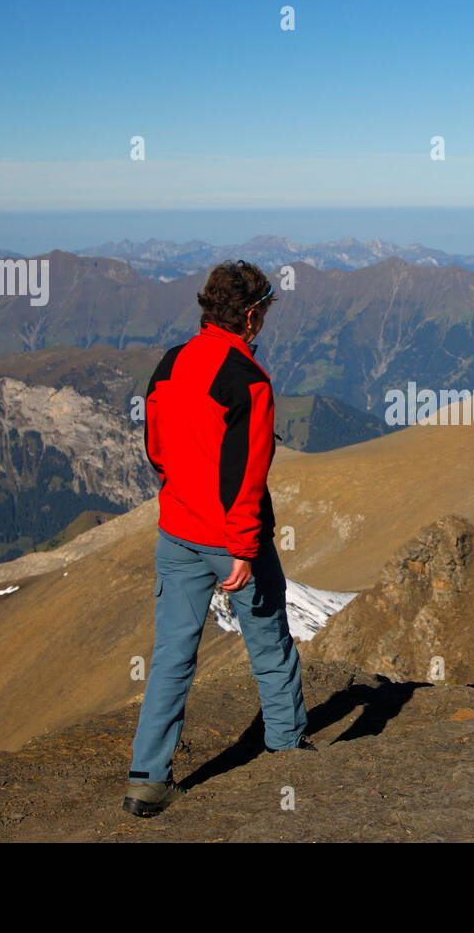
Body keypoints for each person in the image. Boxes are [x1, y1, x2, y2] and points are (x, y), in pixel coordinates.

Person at [124, 260, 313, 819]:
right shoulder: (248, 380)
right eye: (263, 317)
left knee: (171, 659)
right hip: (230, 540)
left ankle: (146, 780)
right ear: (251, 317)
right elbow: (248, 473)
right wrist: (242, 546)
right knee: (269, 644)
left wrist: (181, 491)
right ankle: (286, 754)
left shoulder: (171, 362)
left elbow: (155, 447)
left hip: (176, 531)